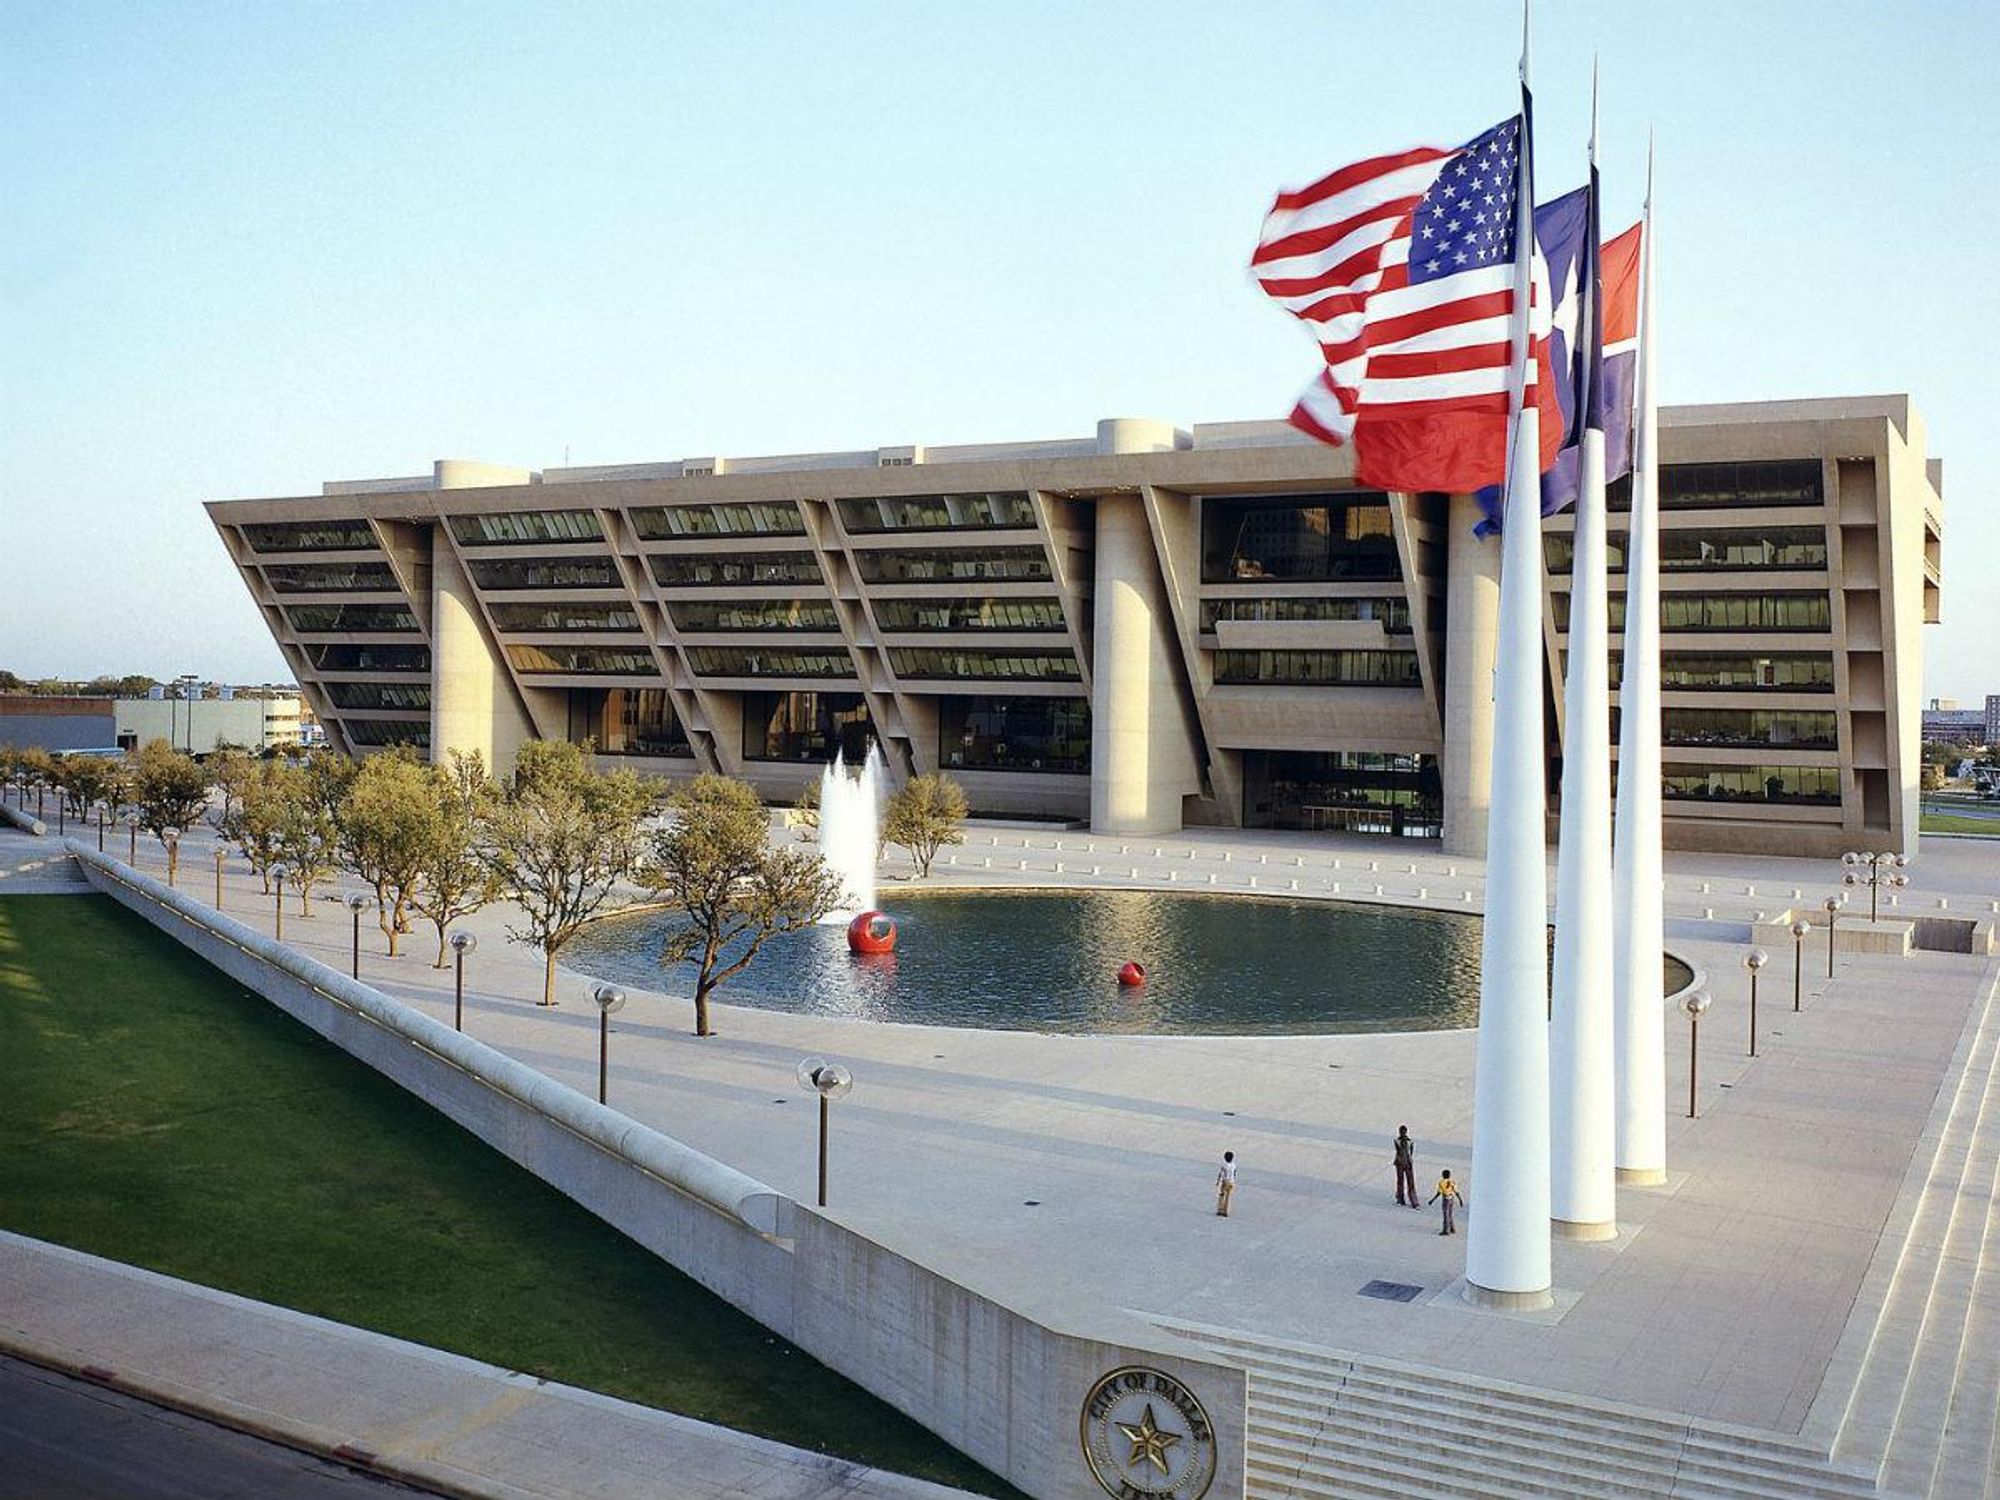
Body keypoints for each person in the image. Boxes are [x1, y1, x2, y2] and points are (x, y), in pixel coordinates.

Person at [1428, 1169, 1464, 1236]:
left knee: (1445, 1215)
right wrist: (1460, 1200)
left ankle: (1445, 1230)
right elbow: (1456, 1192)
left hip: (1445, 1199)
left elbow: (1439, 1193)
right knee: (1450, 1214)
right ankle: (1452, 1228)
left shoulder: (1441, 1182)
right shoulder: (1453, 1182)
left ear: (1443, 1175)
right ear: (1450, 1175)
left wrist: (1432, 1200)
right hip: (1451, 1198)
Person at [1393, 1126, 1419, 1208]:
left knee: (1409, 1183)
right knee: (1401, 1182)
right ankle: (1401, 1198)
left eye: (1403, 1132)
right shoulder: (1399, 1141)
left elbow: (1409, 1153)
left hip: (1405, 1163)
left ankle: (1412, 1200)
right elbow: (1402, 1151)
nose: (1402, 1133)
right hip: (1402, 1163)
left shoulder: (1408, 1141)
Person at [1215, 1151, 1237, 1217]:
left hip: (1225, 1181)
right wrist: (1233, 1181)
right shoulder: (1234, 1165)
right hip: (1231, 1182)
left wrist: (1218, 1181)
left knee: (1222, 1195)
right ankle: (1225, 1211)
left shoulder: (1224, 1165)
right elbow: (1235, 1173)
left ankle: (1220, 1210)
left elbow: (1221, 1174)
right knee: (1228, 1197)